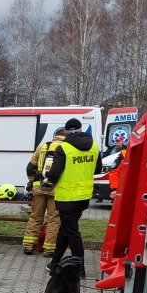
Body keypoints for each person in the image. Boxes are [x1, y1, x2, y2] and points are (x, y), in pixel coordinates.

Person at [41, 116, 102, 278]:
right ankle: (54, 263)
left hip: (67, 197)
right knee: (65, 229)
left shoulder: (64, 148)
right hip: (83, 197)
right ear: (81, 129)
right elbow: (98, 169)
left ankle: (79, 268)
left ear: (66, 132)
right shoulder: (94, 146)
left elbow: (54, 173)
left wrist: (47, 178)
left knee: (72, 232)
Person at [22, 127, 66, 256]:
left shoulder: (42, 147)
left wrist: (32, 182)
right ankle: (49, 249)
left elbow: (30, 168)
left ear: (55, 136)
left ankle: (28, 246)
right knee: (54, 219)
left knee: (35, 217)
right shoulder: (67, 149)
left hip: (39, 188)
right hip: (56, 189)